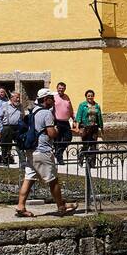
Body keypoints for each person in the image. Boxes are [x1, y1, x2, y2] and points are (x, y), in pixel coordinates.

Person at [15, 89, 76, 219]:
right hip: (42, 151)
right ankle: (61, 207)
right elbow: (51, 133)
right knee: (53, 180)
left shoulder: (33, 111)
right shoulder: (46, 113)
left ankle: (20, 206)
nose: (53, 101)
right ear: (45, 99)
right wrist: (57, 130)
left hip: (31, 150)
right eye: (51, 98)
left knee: (29, 179)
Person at [74, 89, 104, 166]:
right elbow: (79, 116)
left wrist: (101, 127)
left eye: (91, 96)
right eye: (88, 96)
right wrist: (77, 127)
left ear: (93, 96)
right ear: (86, 97)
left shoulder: (97, 105)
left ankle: (92, 163)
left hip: (94, 127)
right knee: (85, 145)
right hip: (85, 127)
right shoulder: (82, 105)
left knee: (93, 145)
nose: (90, 97)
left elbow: (99, 117)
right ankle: (81, 158)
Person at [0, 90, 27, 166]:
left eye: (19, 98)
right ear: (11, 98)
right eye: (17, 97)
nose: (18, 99)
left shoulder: (20, 106)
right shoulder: (4, 105)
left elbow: (23, 116)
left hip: (18, 127)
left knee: (20, 145)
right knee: (6, 145)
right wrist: (2, 128)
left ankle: (23, 162)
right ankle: (5, 160)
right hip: (7, 127)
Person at [53, 83, 75, 165]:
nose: (61, 89)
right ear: (57, 88)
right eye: (59, 88)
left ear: (65, 89)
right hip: (57, 121)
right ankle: (60, 158)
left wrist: (74, 118)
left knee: (69, 138)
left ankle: (59, 152)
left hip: (66, 122)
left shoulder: (67, 97)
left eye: (62, 88)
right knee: (57, 140)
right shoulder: (54, 98)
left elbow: (70, 109)